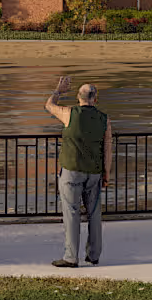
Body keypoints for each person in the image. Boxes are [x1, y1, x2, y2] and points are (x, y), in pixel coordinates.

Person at [44, 76, 109, 266]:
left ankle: (71, 257)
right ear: (95, 99)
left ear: (77, 97)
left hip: (71, 171)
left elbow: (48, 105)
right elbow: (107, 149)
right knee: (95, 214)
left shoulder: (69, 113)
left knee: (71, 213)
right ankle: (94, 255)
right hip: (94, 172)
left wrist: (58, 90)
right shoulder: (104, 119)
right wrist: (107, 173)